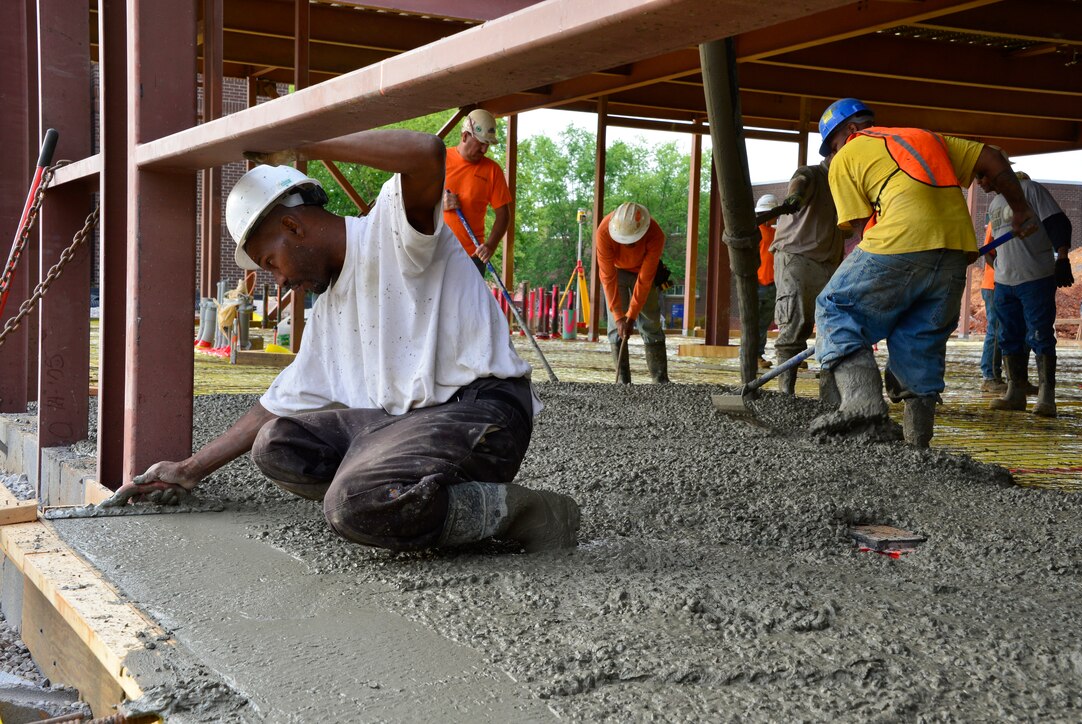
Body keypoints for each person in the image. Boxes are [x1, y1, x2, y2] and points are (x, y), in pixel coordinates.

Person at [108, 130, 579, 554]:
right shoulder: (329, 310)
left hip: (483, 416)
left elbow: (426, 153)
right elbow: (278, 405)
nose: (278, 279)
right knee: (277, 445)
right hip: (406, 424)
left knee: (351, 505)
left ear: (293, 227)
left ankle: (519, 511)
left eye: (270, 262)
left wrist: (304, 140)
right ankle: (394, 490)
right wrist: (190, 468)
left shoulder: (394, 231)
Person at [809, 98, 1036, 448]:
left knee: (836, 307)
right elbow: (992, 157)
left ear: (850, 132)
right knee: (920, 340)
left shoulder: (846, 159)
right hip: (954, 251)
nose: (833, 155)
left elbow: (859, 226)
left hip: (900, 240)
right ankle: (917, 448)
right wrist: (1019, 210)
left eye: (834, 146)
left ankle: (861, 404)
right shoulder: (925, 137)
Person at [980, 165, 1074, 417]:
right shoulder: (995, 204)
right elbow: (996, 245)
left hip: (1035, 277)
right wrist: (997, 267)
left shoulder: (1030, 190)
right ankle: (1015, 391)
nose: (979, 182)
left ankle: (1046, 396)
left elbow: (1057, 222)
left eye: (982, 175)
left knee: (1040, 333)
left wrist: (1062, 257)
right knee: (1009, 336)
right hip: (1004, 283)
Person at [770, 158, 846, 395]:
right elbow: (799, 181)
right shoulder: (813, 174)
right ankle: (785, 394)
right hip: (798, 257)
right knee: (795, 323)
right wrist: (795, 197)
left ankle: (829, 396)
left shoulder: (844, 183)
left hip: (829, 262)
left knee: (834, 327)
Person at [596, 202, 669, 384]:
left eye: (633, 240)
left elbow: (644, 280)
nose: (629, 244)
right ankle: (623, 382)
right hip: (616, 271)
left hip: (642, 271)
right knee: (616, 326)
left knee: (651, 321)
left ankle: (660, 381)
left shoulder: (655, 234)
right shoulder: (604, 232)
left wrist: (632, 315)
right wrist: (621, 317)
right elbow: (607, 278)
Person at [443, 109, 513, 275]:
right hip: (437, 254)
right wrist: (439, 203)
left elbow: (504, 215)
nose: (484, 150)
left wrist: (490, 245)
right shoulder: (439, 160)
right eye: (481, 143)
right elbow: (414, 202)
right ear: (465, 136)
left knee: (471, 302)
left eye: (487, 144)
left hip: (472, 257)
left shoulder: (492, 170)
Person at [978, 225, 1005, 393]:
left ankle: (996, 375)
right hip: (994, 284)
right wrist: (1002, 272)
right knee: (995, 330)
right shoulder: (997, 222)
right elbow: (987, 251)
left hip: (1001, 283)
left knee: (1001, 330)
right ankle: (990, 376)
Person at [754, 194, 778, 370]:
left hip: (770, 284)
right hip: (758, 284)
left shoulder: (774, 232)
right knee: (756, 324)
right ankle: (752, 356)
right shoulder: (756, 232)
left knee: (762, 324)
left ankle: (757, 355)